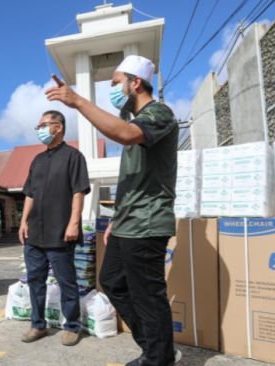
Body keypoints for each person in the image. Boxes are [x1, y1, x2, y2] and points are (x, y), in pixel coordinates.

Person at [46, 55, 179, 366]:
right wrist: (116, 217)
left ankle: (159, 359)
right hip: (126, 222)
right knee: (113, 281)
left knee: (148, 295)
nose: (113, 89)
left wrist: (78, 101)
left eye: (117, 82)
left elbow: (125, 134)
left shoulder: (159, 114)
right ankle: (157, 350)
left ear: (136, 83)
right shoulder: (133, 123)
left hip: (147, 222)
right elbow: (132, 177)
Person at [19, 110, 91, 347]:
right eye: (38, 125)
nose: (39, 129)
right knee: (35, 281)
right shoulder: (37, 160)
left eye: (43, 125)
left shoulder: (73, 157)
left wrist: (73, 222)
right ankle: (38, 325)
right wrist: (23, 221)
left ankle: (72, 325)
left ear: (58, 127)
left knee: (66, 281)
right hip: (34, 234)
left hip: (60, 232)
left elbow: (78, 191)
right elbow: (29, 193)